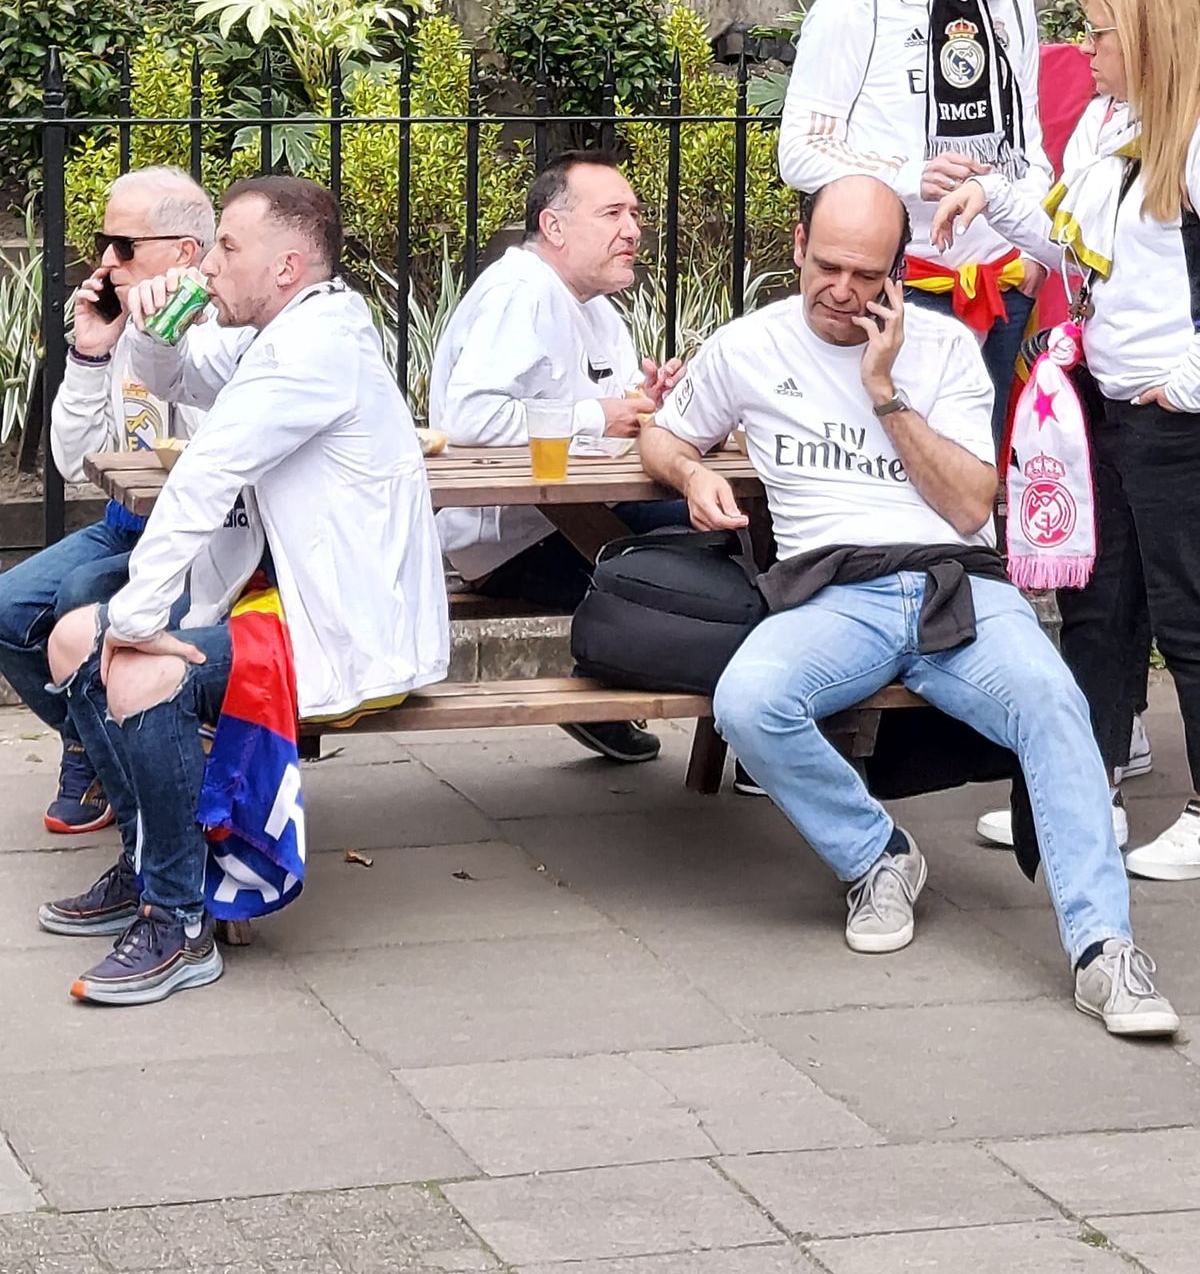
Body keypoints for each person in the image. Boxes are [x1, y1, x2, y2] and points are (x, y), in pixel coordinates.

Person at [640, 174, 1178, 1037]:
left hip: (956, 585)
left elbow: (970, 504)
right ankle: (877, 854)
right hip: (832, 593)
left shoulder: (942, 349)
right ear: (796, 249)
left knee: (1054, 702)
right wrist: (694, 470)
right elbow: (664, 429)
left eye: (865, 274)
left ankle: (1104, 949)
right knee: (748, 702)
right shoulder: (748, 347)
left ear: (898, 271)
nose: (842, 291)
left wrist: (885, 387)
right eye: (827, 267)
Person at [41, 176, 449, 1004]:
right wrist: (155, 325)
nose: (211, 262)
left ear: (288, 264)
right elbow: (176, 379)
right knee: (67, 641)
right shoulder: (277, 328)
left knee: (139, 668)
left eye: (228, 247)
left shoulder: (311, 350)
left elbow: (207, 473)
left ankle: (179, 921)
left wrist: (136, 616)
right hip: (285, 599)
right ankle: (148, 863)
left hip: (343, 624)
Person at [933, 0, 1200, 881]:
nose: (1084, 46)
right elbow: (1070, 243)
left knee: (1187, 616)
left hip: (1171, 417)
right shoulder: (1104, 125)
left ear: (1153, 40)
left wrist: (1187, 381)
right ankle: (1082, 797)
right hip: (1107, 399)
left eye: (1100, 31)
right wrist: (991, 196)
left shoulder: (1194, 137)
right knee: (1095, 606)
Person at [778, 0, 1050, 447]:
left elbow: (1026, 137)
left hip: (1003, 284)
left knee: (984, 474)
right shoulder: (857, 3)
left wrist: (1031, 248)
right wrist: (907, 173)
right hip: (903, 290)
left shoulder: (1016, 1)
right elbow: (798, 150)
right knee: (897, 466)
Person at [429, 151, 684, 764]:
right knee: (707, 561)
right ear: (554, 227)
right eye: (614, 214)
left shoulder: (595, 308)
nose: (633, 229)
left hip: (572, 514)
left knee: (718, 533)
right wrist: (600, 415)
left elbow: (613, 412)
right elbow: (469, 418)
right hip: (507, 538)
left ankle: (609, 690)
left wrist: (646, 403)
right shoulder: (522, 294)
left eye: (637, 214)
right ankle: (613, 690)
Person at [0, 166, 213, 835]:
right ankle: (91, 745)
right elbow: (73, 459)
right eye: (103, 242)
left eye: (124, 246)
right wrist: (92, 356)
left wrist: (171, 338)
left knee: (84, 596)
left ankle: (125, 796)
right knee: (9, 609)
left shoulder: (225, 324)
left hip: (200, 544)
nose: (105, 262)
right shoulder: (123, 325)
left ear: (185, 253)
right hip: (127, 524)